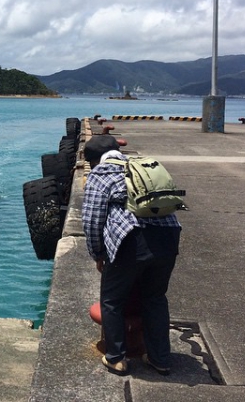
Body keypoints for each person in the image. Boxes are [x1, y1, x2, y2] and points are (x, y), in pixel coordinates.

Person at [81, 135, 181, 377]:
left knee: (112, 300)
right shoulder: (142, 166)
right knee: (155, 298)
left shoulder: (101, 174)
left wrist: (98, 254)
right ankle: (160, 360)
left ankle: (116, 358)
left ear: (94, 161)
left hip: (131, 240)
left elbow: (92, 220)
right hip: (169, 237)